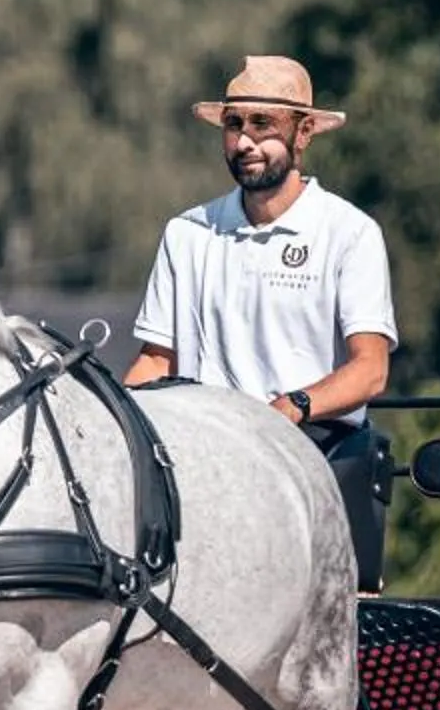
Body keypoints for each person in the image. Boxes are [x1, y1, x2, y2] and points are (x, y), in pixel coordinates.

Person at [127, 54, 398, 585]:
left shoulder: (350, 232)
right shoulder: (186, 233)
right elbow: (156, 363)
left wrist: (289, 408)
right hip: (201, 454)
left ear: (304, 134)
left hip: (312, 453)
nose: (245, 141)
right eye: (234, 125)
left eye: (262, 124)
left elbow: (370, 371)